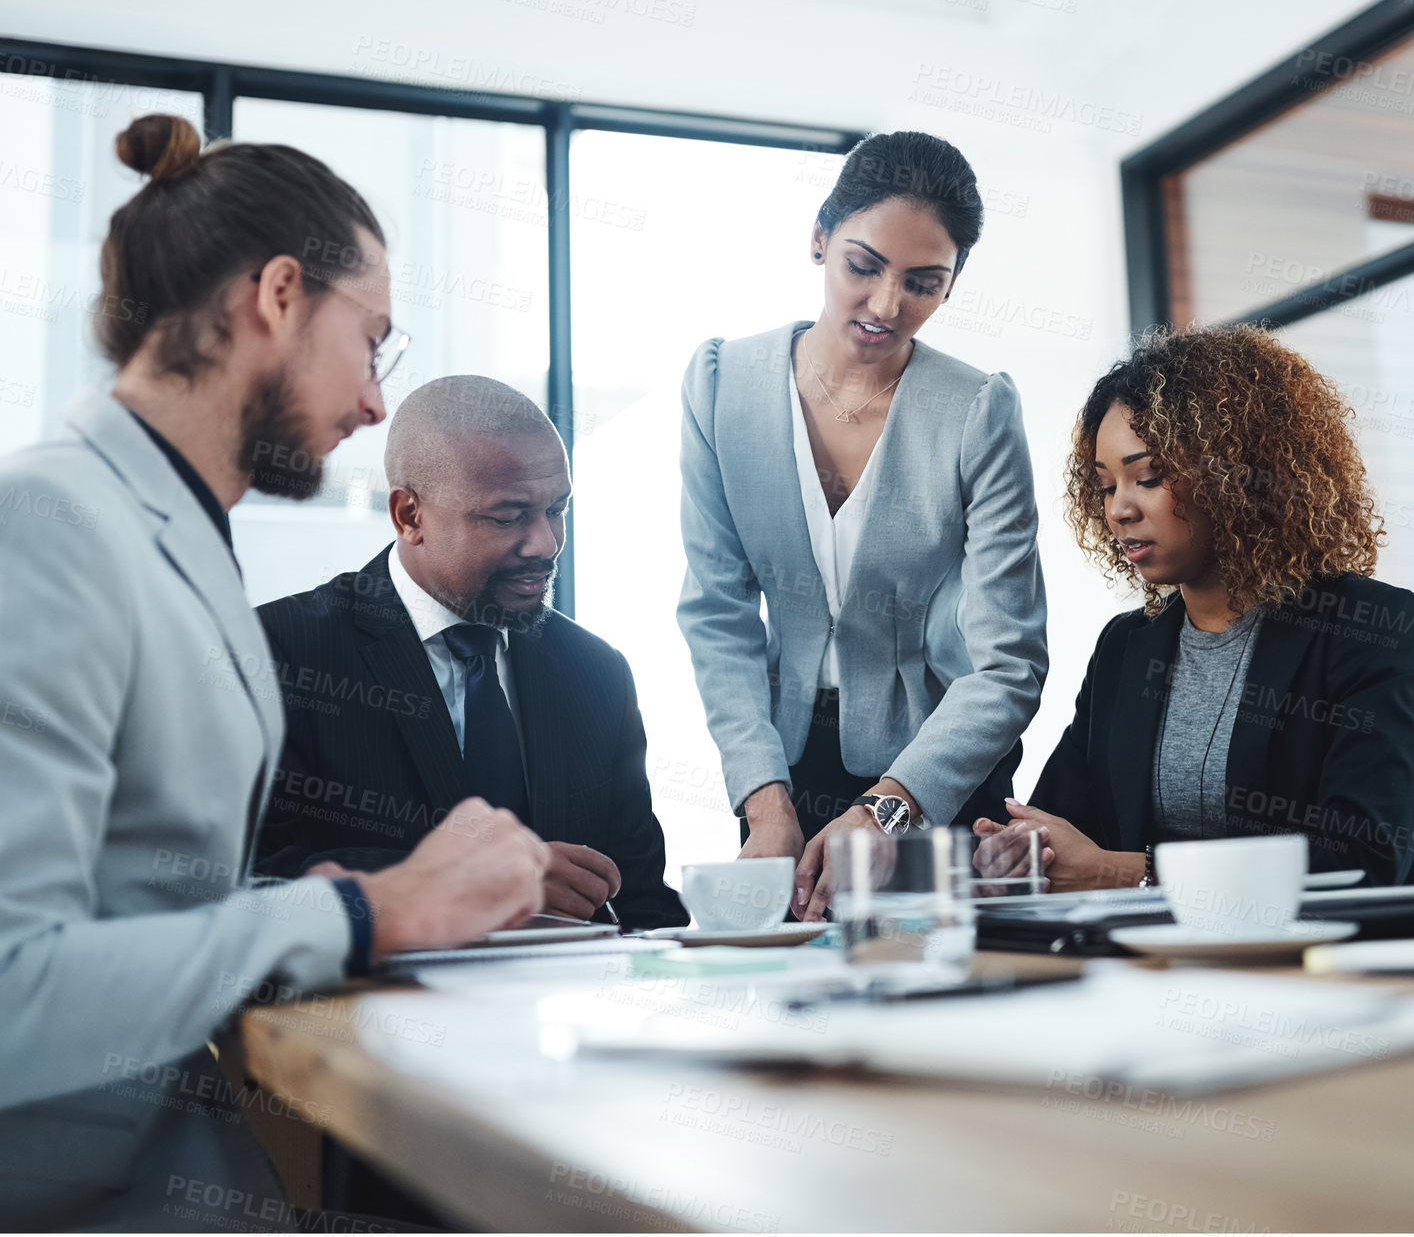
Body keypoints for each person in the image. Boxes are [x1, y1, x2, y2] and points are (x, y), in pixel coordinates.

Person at [0, 114, 549, 1230]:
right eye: (372, 341)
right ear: (281, 296)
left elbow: (139, 899)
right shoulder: (48, 524)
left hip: (182, 1151)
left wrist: (313, 901)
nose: (375, 401)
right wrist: (358, 910)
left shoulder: (175, 532)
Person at [677, 130, 1048, 920]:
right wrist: (764, 801)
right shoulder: (721, 387)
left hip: (941, 769)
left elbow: (1009, 660)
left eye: (924, 282)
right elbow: (718, 613)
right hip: (782, 763)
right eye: (863, 265)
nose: (887, 305)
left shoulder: (978, 412)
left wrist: (890, 807)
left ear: (952, 284)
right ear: (819, 238)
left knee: (933, 996)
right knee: (792, 1012)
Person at [980, 324, 1414, 890]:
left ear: (1237, 475)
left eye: (1149, 477)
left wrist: (1126, 872)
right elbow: (1069, 824)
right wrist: (1023, 851)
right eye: (1106, 486)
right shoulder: (1125, 647)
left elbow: (1365, 862)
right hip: (1144, 963)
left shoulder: (1376, 632)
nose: (1119, 511)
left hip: (1315, 967)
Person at [255, 375, 689, 933]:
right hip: (368, 1012)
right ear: (409, 516)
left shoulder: (596, 673)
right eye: (508, 517)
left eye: (557, 509)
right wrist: (484, 882)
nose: (547, 544)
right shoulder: (283, 653)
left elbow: (643, 906)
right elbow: (253, 881)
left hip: (563, 1011)